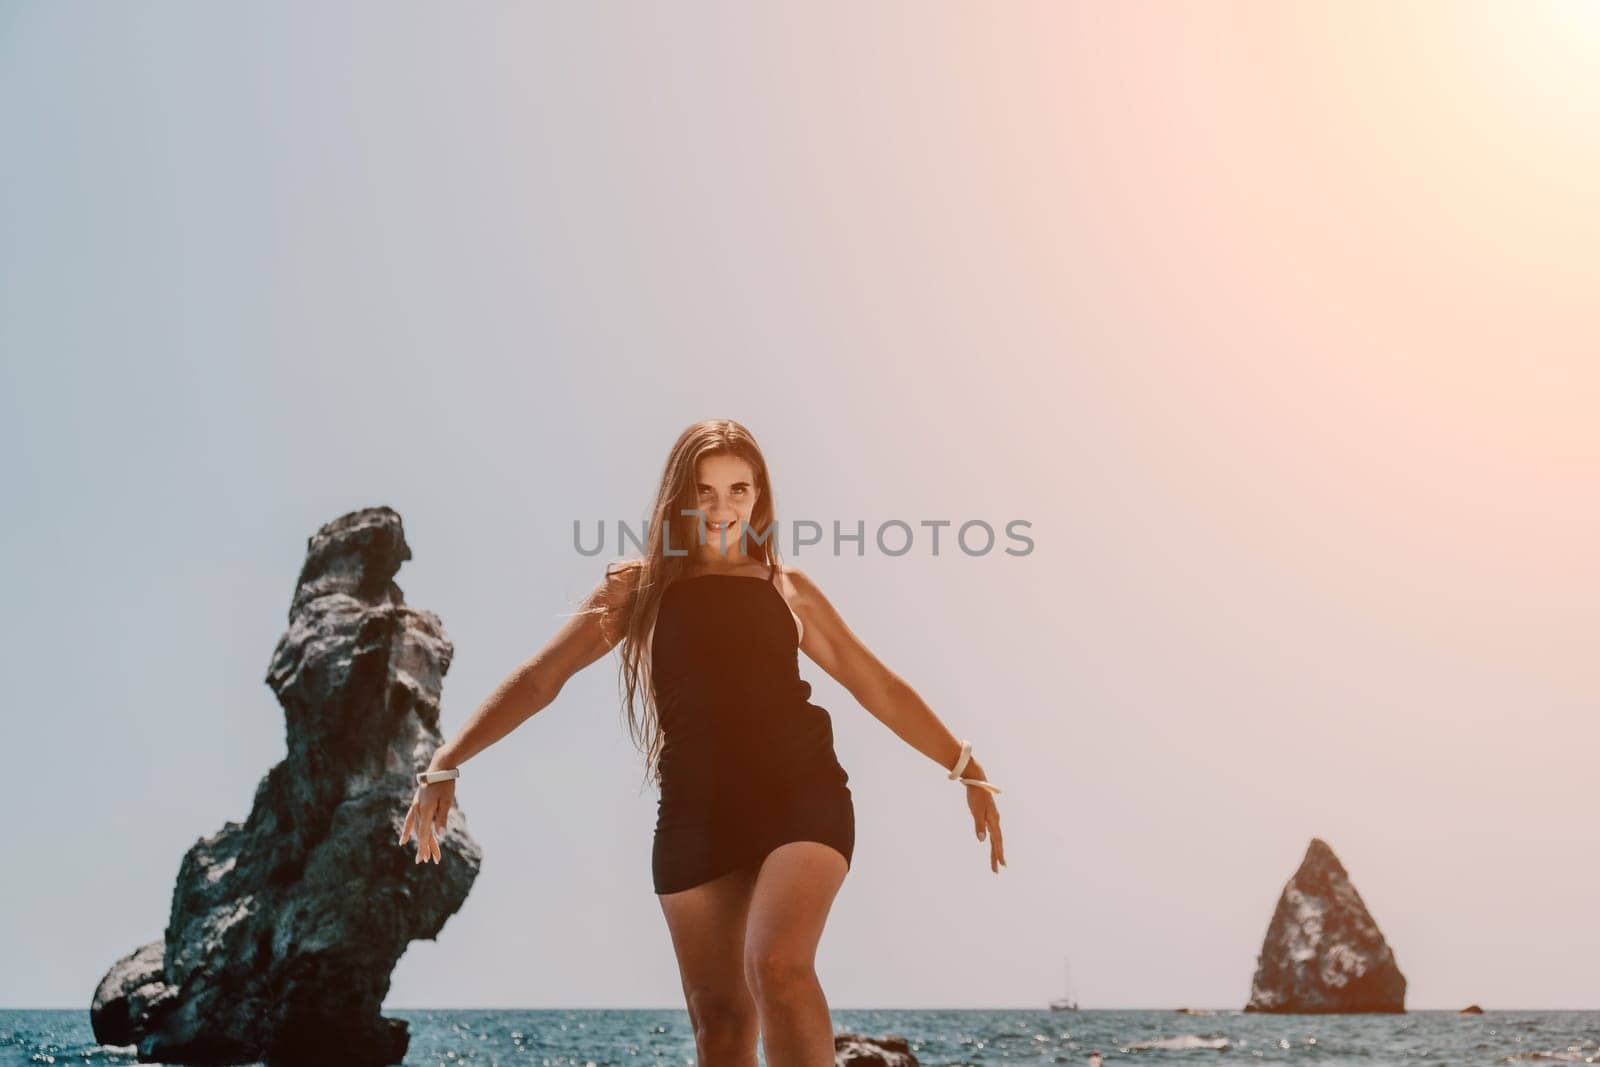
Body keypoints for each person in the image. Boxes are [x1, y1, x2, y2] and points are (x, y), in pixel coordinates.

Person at [399, 419, 1006, 1066]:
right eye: (705, 491)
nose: (722, 508)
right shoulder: (638, 588)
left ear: (759, 496)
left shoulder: (786, 588)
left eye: (738, 489)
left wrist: (963, 764)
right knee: (719, 1025)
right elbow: (541, 677)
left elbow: (876, 684)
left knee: (777, 962)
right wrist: (448, 758)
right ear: (679, 498)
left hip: (801, 793)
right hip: (696, 815)